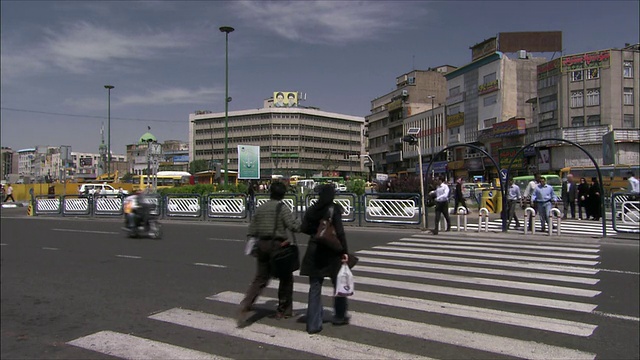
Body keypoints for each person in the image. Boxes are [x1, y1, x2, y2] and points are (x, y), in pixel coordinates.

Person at [238, 181, 301, 326]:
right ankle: (283, 310)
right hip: (278, 247)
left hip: (261, 245)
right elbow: (293, 226)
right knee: (286, 278)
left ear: (270, 192)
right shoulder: (282, 208)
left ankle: (246, 303)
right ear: (283, 195)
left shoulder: (261, 208)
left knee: (260, 278)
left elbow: (252, 230)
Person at [300, 184, 350, 334]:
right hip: (332, 251)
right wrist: (344, 251)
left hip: (314, 251)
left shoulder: (313, 209)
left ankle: (313, 324)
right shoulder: (333, 209)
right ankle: (340, 316)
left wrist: (316, 233)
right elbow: (340, 232)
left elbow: (303, 228)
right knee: (338, 284)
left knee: (315, 287)